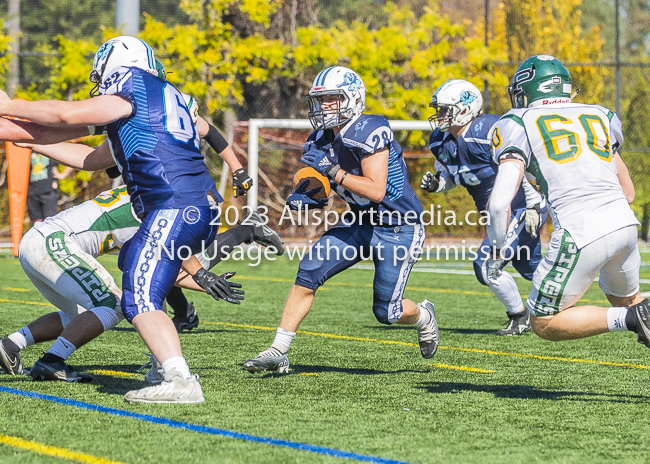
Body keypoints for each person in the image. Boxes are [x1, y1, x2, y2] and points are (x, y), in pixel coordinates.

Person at [0, 36, 235, 403]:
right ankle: (165, 368)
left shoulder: (132, 88)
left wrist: (13, 105)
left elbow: (66, 115)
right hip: (194, 205)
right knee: (146, 291)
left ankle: (179, 379)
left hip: (170, 205)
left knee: (136, 297)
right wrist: (22, 134)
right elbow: (89, 157)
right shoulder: (154, 102)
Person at [243, 66, 439, 374]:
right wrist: (310, 196)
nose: (324, 107)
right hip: (361, 221)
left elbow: (375, 190)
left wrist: (333, 171)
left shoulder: (371, 129)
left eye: (332, 99)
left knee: (386, 311)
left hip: (398, 226)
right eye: (321, 100)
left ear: (353, 98)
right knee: (308, 270)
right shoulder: (319, 139)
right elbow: (327, 185)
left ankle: (424, 316)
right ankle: (278, 349)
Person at [0, 184, 282, 382]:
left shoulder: (147, 187)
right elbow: (170, 247)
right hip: (54, 242)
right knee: (113, 304)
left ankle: (10, 345)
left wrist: (203, 282)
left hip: (39, 242)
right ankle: (52, 362)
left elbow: (147, 265)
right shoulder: (163, 201)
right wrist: (201, 275)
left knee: (85, 315)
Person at [486, 54, 648, 346]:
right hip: (624, 225)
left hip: (580, 231)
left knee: (544, 322)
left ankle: (632, 319)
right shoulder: (599, 115)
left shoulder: (517, 122)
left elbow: (499, 204)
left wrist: (498, 248)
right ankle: (635, 315)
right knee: (631, 302)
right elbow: (629, 192)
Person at [421, 79, 547, 336]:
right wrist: (438, 183)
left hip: (521, 208)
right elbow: (455, 175)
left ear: (466, 108)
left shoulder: (486, 131)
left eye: (446, 110)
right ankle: (564, 307)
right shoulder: (440, 142)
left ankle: (520, 316)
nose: (440, 115)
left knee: (486, 266)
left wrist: (534, 203)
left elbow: (520, 163)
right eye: (439, 110)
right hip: (501, 214)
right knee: (530, 269)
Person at [27, 150, 72, 223]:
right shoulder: (28, 150)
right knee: (36, 223)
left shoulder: (50, 149)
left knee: (49, 222)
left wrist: (62, 175)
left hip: (49, 191)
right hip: (32, 191)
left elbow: (71, 160)